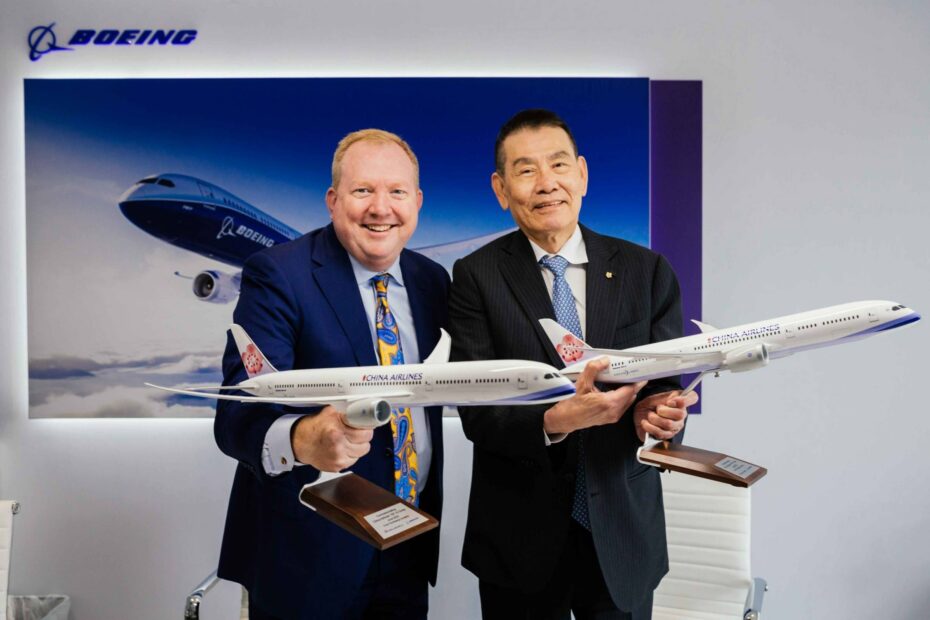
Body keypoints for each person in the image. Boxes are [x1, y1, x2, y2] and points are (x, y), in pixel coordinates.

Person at [449, 109, 698, 620]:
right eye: (525, 171)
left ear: (581, 174)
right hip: (517, 538)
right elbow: (477, 411)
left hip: (623, 533)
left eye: (559, 165)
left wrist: (662, 417)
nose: (547, 184)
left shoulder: (646, 271)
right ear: (501, 189)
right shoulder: (475, 277)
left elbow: (666, 385)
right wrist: (560, 420)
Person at [214, 129, 450, 619]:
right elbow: (237, 414)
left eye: (397, 192)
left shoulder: (432, 281)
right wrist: (302, 438)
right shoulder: (278, 273)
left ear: (418, 201)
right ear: (333, 199)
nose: (380, 208)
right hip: (307, 557)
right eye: (363, 190)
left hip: (406, 539)